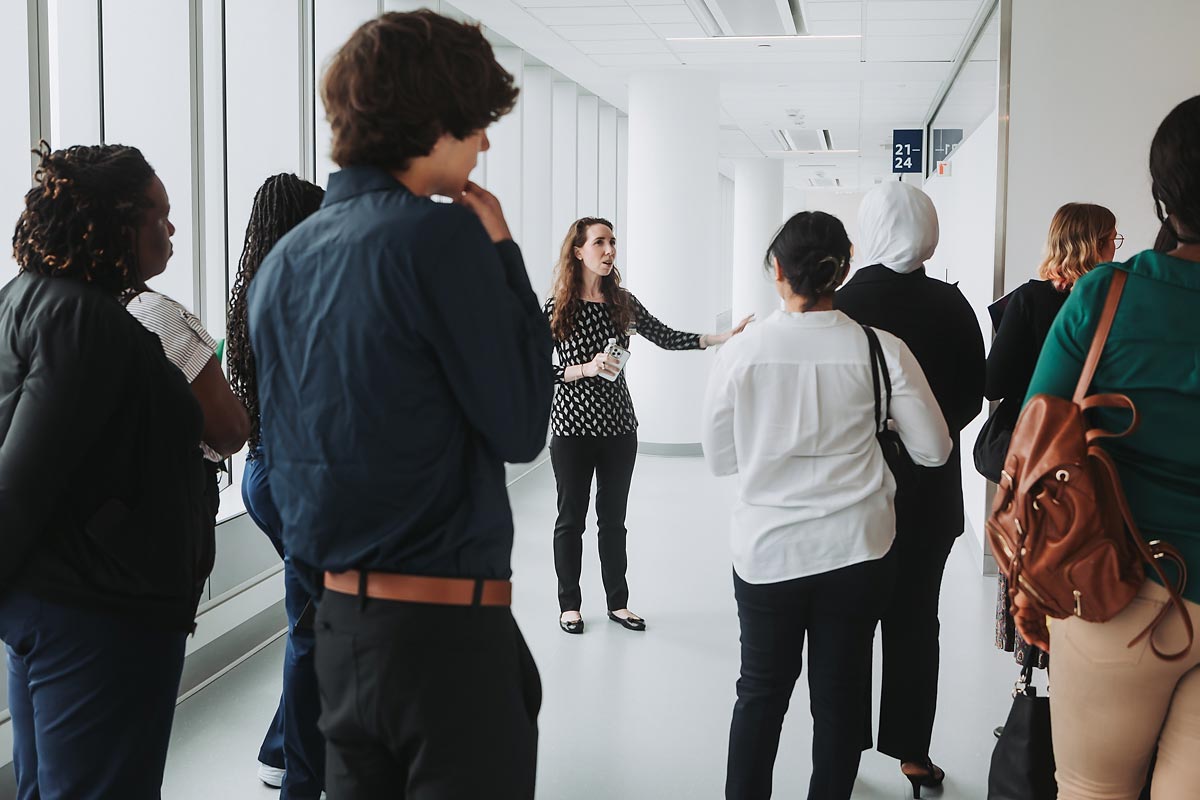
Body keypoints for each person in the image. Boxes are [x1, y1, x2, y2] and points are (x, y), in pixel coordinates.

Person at [247, 11, 552, 798]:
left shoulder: (283, 262)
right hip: (445, 632)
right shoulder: (439, 240)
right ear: (435, 116)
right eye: (479, 123)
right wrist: (506, 257)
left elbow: (287, 459)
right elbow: (521, 424)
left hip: (340, 629)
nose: (484, 144)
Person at [702, 210, 952, 800]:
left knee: (760, 694)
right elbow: (936, 451)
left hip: (767, 553)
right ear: (841, 271)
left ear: (778, 271)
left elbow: (719, 460)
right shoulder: (880, 349)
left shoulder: (741, 353)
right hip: (857, 551)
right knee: (840, 701)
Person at [0, 143, 214, 799]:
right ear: (116, 222)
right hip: (96, 618)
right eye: (159, 215)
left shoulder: (31, 298)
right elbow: (23, 480)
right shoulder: (83, 321)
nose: (171, 229)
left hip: (64, 603)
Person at [1011, 95, 1200, 800]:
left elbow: (1032, 442)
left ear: (1162, 196)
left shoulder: (1106, 296)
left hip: (1119, 589)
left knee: (1094, 789)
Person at [833, 181, 985, 791]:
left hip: (853, 491)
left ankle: (840, 753)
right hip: (929, 492)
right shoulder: (952, 305)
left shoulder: (840, 304)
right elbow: (974, 395)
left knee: (845, 625)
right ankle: (913, 755)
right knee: (916, 622)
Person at [545, 216, 751, 634]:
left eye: (613, 243)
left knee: (614, 520)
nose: (609, 251)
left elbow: (665, 335)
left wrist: (718, 338)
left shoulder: (623, 302)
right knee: (571, 519)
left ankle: (618, 604)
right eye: (600, 243)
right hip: (571, 430)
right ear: (578, 251)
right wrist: (584, 368)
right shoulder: (558, 307)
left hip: (620, 428)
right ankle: (570, 605)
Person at [986, 202, 1119, 672]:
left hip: (1038, 461)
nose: (1114, 250)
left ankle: (1030, 683)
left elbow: (993, 383)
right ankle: (1077, 676)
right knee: (1086, 560)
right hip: (1098, 457)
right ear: (1093, 244)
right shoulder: (1116, 303)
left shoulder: (1029, 300)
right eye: (1111, 240)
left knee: (1035, 560)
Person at [226, 173, 326, 797]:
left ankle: (279, 751)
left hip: (263, 473)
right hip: (296, 479)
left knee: (315, 620)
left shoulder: (254, 293)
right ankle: (300, 779)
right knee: (315, 628)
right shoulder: (300, 297)